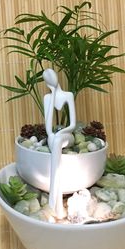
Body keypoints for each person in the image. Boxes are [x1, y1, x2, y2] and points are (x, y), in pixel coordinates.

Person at [43, 68, 76, 219]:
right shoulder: (47, 98)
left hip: (67, 135)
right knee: (55, 140)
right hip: (54, 136)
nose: (51, 79)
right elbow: (48, 128)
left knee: (56, 139)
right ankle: (59, 210)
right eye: (47, 78)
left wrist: (60, 133)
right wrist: (53, 93)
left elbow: (72, 125)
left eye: (52, 76)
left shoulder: (68, 95)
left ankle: (52, 202)